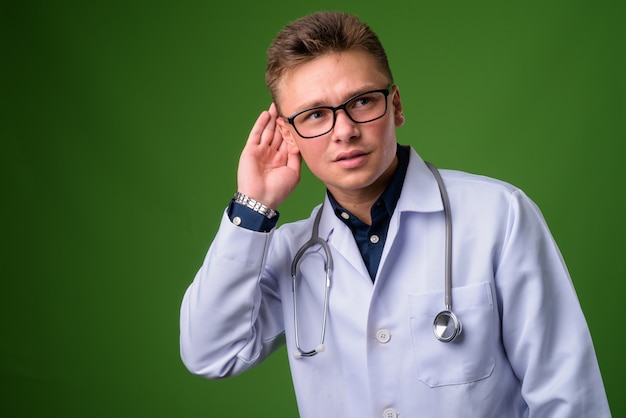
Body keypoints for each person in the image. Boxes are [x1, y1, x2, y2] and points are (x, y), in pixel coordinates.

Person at [179, 11, 610, 417]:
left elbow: (568, 395)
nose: (344, 130)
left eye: (362, 102)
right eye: (315, 115)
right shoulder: (291, 254)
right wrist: (254, 204)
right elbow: (210, 353)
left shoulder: (499, 216)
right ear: (290, 136)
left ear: (396, 105)